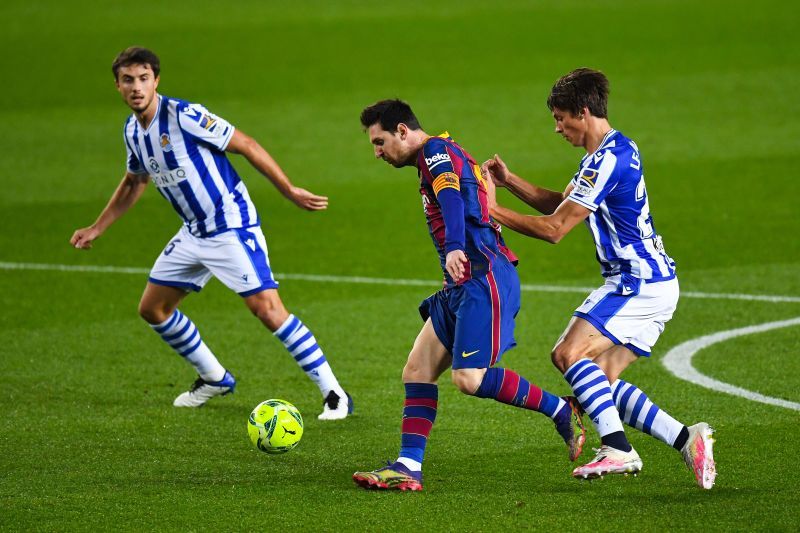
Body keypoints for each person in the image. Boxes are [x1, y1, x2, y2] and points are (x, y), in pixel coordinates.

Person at [70, 47, 352, 420]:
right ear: (118, 86)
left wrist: (288, 190)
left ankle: (334, 393)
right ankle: (214, 377)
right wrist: (97, 227)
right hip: (193, 233)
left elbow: (246, 144)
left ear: (156, 81)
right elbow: (135, 181)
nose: (136, 87)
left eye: (143, 78)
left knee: (267, 310)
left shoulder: (183, 116)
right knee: (153, 308)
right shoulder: (132, 132)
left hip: (229, 224)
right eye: (128, 80)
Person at [482, 68, 715, 488]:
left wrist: (492, 211)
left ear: (583, 112)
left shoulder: (607, 159)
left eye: (560, 118)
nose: (557, 128)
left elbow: (555, 229)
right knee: (600, 385)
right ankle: (686, 438)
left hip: (637, 282)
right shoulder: (608, 152)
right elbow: (566, 203)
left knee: (568, 355)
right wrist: (509, 180)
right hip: (650, 281)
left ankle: (619, 449)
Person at [351, 99, 585, 492]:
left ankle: (561, 409)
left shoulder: (434, 152)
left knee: (468, 379)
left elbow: (453, 198)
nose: (377, 153)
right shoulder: (440, 152)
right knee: (417, 369)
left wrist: (456, 245)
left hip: (483, 279)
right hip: (461, 285)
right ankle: (409, 466)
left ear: (403, 131)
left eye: (380, 142)